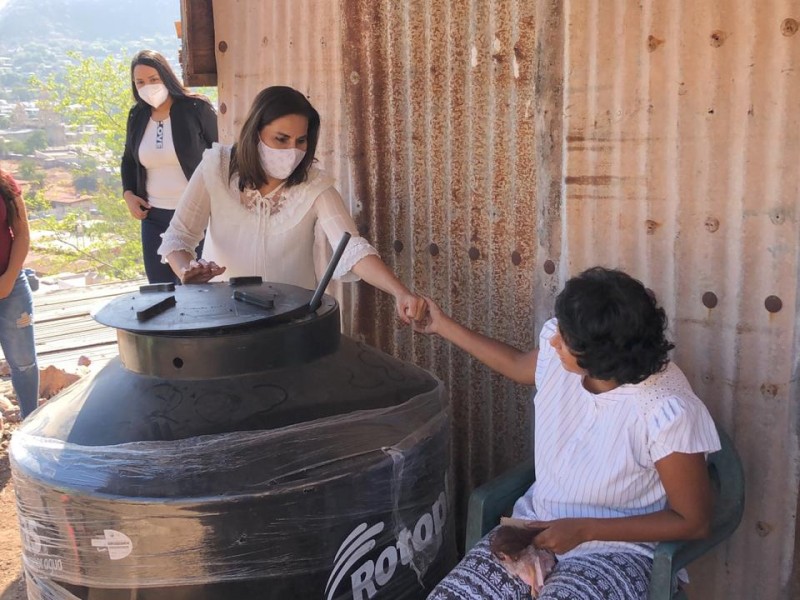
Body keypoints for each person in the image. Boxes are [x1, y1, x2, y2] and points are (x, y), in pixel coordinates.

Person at [416, 267, 721, 600]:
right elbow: (519, 364)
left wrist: (586, 530)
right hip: (535, 528)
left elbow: (693, 520)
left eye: (566, 339)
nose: (553, 341)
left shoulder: (664, 410)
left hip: (618, 552)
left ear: (599, 358)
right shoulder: (562, 360)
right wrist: (441, 324)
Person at [158, 86, 423, 322]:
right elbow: (178, 238)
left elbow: (352, 248)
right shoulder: (216, 168)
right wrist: (186, 270)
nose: (292, 151)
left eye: (301, 141)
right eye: (281, 139)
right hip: (222, 321)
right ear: (255, 132)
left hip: (292, 322)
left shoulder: (315, 185)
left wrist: (400, 292)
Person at [121, 50, 218, 284]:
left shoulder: (196, 108)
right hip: (154, 217)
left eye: (153, 79)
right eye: (140, 82)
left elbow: (221, 154)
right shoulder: (137, 115)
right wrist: (128, 194)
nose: (148, 86)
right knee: (160, 289)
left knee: (199, 287)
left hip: (196, 217)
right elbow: (128, 159)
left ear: (166, 76)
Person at [0, 170, 38, 419]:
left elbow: (22, 233)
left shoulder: (4, 182)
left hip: (10, 285)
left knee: (24, 363)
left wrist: (9, 277)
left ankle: (31, 425)